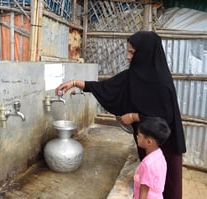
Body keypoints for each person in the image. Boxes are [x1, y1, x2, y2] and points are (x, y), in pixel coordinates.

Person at [55, 31, 186, 199]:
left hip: (166, 144)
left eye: (132, 52)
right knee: (147, 183)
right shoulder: (132, 76)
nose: (128, 57)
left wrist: (133, 117)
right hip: (146, 141)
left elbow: (164, 118)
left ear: (145, 52)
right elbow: (105, 88)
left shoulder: (162, 83)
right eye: (128, 51)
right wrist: (74, 83)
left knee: (166, 187)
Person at [134, 117, 171, 199]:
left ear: (149, 142)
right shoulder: (160, 155)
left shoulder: (147, 165)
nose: (137, 137)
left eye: (139, 135)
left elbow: (143, 194)